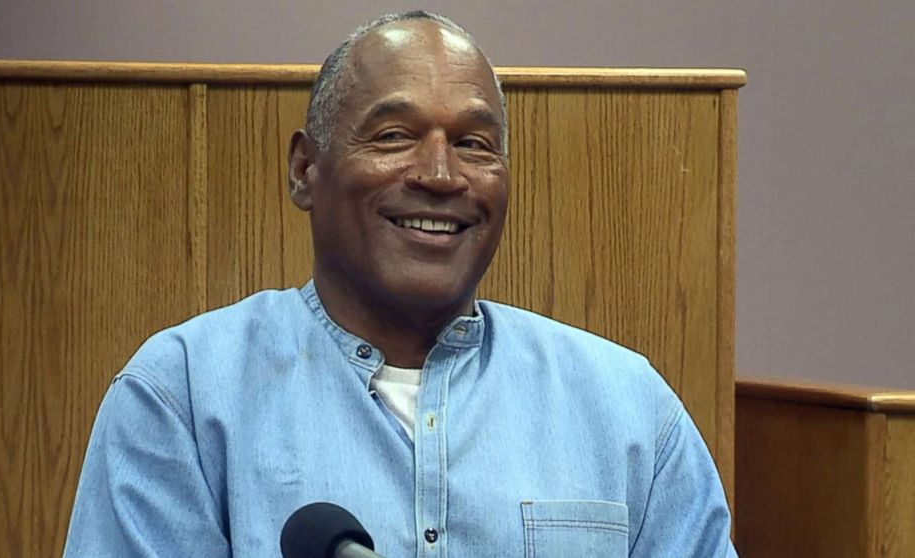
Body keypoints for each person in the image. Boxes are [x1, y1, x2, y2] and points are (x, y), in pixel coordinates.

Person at [64, 11, 737, 558]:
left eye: (475, 144)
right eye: (393, 135)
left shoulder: (628, 408)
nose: (441, 175)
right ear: (305, 170)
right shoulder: (181, 395)